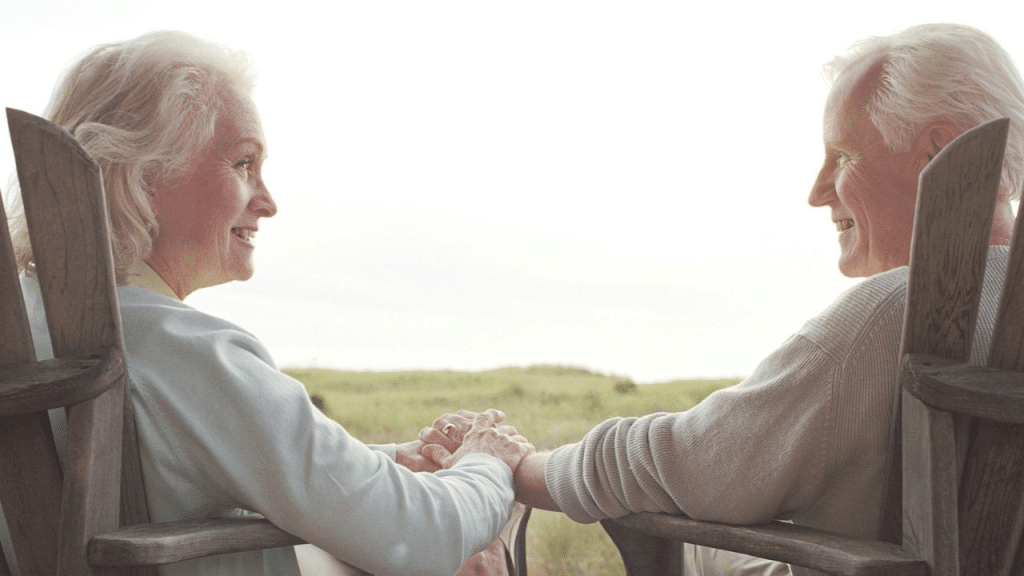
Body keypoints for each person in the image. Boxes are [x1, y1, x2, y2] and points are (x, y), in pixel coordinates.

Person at [422, 23, 1024, 576]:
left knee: (679, 526)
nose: (817, 192)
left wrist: (506, 465)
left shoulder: (889, 314)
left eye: (842, 156)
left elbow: (686, 463)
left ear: (936, 155)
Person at [4, 31, 534, 576]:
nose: (269, 202)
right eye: (243, 164)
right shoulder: (181, 351)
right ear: (143, 175)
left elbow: (194, 458)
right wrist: (486, 461)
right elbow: (423, 536)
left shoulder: (32, 327)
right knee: (475, 557)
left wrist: (389, 461)